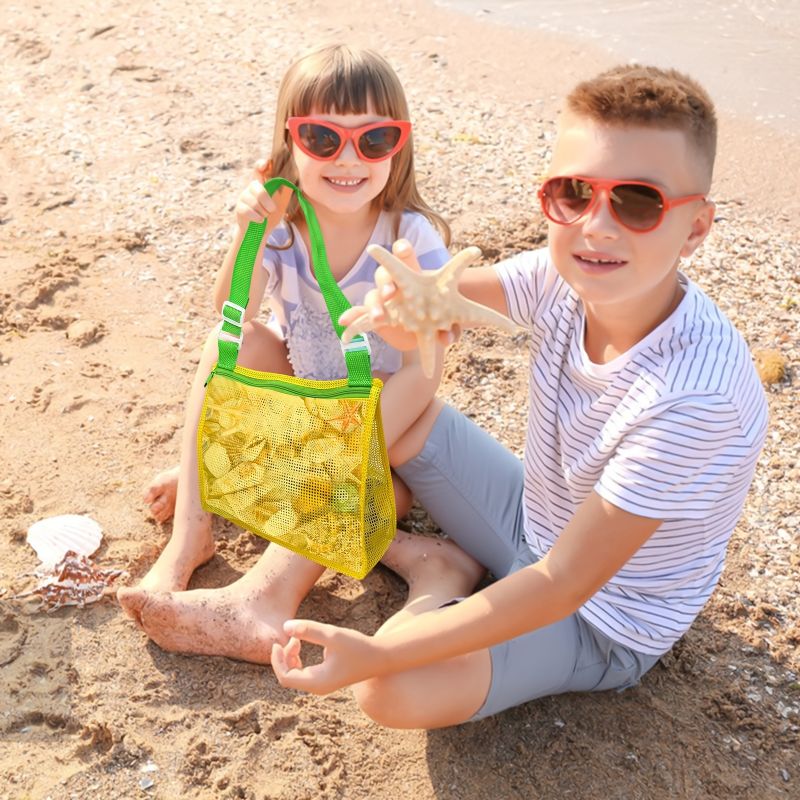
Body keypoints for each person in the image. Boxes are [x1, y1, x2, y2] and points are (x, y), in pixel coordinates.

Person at [269, 64, 770, 729]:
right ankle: (445, 566)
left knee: (390, 690)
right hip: (532, 516)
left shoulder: (693, 400)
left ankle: (440, 583)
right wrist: (403, 300)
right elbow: (443, 296)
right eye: (573, 193)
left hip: (600, 613)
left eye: (638, 201)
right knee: (401, 409)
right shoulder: (565, 274)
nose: (596, 226)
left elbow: (561, 584)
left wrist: (378, 652)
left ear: (698, 227)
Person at [117, 44, 454, 662]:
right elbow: (231, 314)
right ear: (289, 144)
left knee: (389, 496)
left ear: (398, 146)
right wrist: (249, 227)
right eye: (323, 138)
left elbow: (425, 373)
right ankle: (191, 535)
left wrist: (350, 443)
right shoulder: (283, 222)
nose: (349, 158)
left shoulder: (411, 237)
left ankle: (269, 594)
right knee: (234, 343)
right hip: (303, 393)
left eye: (374, 140)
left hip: (381, 417)